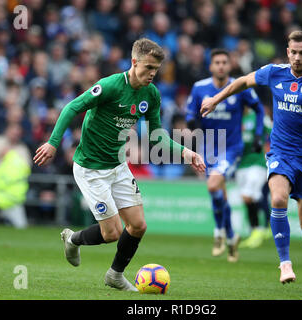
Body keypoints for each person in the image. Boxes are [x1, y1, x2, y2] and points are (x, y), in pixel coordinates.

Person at [33, 38, 205, 291]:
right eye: (148, 67)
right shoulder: (110, 86)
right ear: (134, 62)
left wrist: (186, 153)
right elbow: (72, 107)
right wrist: (53, 143)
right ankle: (72, 239)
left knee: (138, 226)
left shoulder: (151, 94)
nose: (152, 74)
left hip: (118, 165)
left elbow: (157, 135)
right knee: (111, 233)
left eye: (156, 69)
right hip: (91, 169)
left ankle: (114, 275)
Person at [201, 31, 302, 291]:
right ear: (287, 51)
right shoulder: (274, 72)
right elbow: (243, 81)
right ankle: (284, 263)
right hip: (281, 153)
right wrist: (216, 99)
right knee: (278, 199)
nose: (296, 57)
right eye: (292, 52)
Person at [186, 48, 265, 263]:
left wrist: (258, 135)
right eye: (217, 62)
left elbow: (259, 110)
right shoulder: (199, 87)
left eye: (224, 62)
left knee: (213, 186)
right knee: (217, 193)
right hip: (209, 148)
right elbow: (190, 112)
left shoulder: (238, 87)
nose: (221, 66)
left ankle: (219, 232)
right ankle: (231, 237)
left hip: (231, 148)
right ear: (211, 66)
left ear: (229, 66)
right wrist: (192, 123)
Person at [237, 108, 273, 249]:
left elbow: (273, 131)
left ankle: (259, 230)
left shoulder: (258, 117)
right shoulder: (234, 117)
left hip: (257, 163)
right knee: (250, 198)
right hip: (241, 165)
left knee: (248, 196)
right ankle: (258, 230)